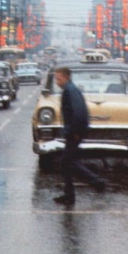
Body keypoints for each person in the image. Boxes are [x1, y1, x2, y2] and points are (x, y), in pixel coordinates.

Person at [53, 66, 105, 205]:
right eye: (56, 79)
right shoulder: (69, 90)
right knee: (67, 163)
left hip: (74, 131)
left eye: (59, 78)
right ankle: (70, 194)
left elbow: (80, 112)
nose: (57, 82)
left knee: (67, 162)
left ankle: (96, 182)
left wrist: (75, 131)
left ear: (66, 77)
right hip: (73, 131)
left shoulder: (71, 91)